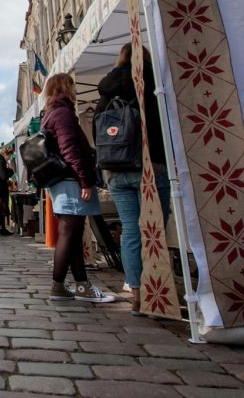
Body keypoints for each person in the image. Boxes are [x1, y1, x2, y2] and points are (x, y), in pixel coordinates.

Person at [95, 43, 172, 314]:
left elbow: (98, 130)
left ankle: (137, 291)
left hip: (115, 169)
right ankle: (158, 291)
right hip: (149, 165)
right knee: (155, 229)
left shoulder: (107, 90)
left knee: (130, 229)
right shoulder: (152, 83)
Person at [42, 73, 115, 303]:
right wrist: (85, 179)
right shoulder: (62, 113)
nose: (75, 91)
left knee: (72, 235)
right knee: (68, 233)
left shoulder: (51, 113)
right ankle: (58, 286)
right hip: (70, 180)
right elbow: (70, 149)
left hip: (62, 180)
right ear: (66, 88)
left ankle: (81, 286)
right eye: (72, 86)